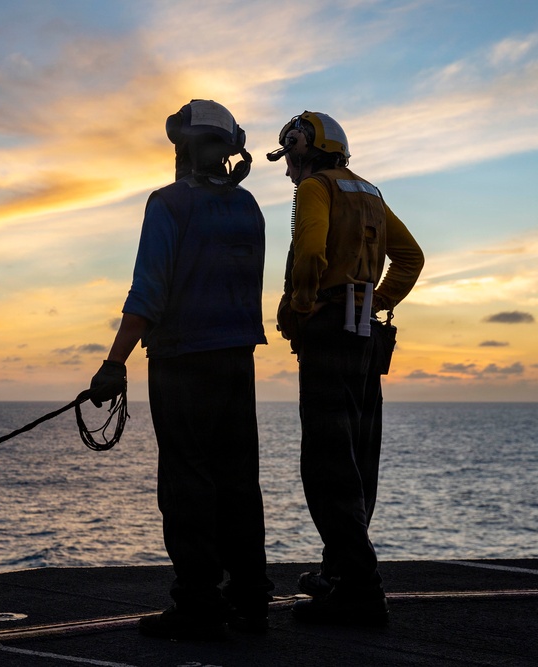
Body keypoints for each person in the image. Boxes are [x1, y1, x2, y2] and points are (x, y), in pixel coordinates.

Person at [88, 99, 273, 641]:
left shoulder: (167, 205)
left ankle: (198, 604)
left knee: (187, 483)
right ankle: (250, 601)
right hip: (238, 362)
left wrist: (113, 363)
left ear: (186, 146)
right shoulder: (250, 208)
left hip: (181, 364)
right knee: (239, 481)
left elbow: (148, 292)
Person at [267, 111, 424, 625]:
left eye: (289, 152)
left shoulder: (316, 189)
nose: (287, 165)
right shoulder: (371, 194)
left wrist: (305, 303)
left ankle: (359, 585)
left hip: (330, 329)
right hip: (363, 335)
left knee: (327, 460)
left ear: (304, 146)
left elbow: (310, 250)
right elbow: (411, 257)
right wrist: (376, 301)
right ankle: (337, 570)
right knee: (358, 454)